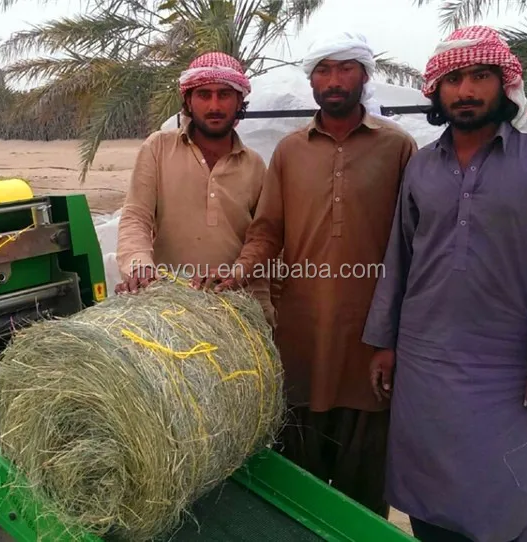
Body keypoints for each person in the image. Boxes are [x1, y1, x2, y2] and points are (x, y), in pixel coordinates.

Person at [361, 26, 527, 542]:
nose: (466, 91)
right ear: (437, 92)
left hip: (507, 361)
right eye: (453, 80)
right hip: (424, 357)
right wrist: (383, 342)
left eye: (480, 76)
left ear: (504, 83)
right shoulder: (423, 165)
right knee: (429, 483)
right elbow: (399, 258)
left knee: (509, 489)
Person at [194, 32, 418, 518]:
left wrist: (399, 332)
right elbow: (267, 230)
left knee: (364, 482)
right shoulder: (291, 152)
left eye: (344, 69)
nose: (333, 81)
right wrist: (237, 273)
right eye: (323, 71)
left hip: (370, 335)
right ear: (312, 79)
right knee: (301, 473)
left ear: (364, 75)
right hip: (303, 333)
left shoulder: (398, 148)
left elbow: (414, 245)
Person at [115, 51, 274, 324]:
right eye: (204, 95)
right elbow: (136, 217)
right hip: (170, 308)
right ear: (188, 100)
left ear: (239, 101)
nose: (214, 105)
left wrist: (237, 276)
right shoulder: (158, 148)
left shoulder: (255, 165)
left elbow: (264, 239)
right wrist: (139, 266)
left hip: (237, 310)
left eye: (224, 94)